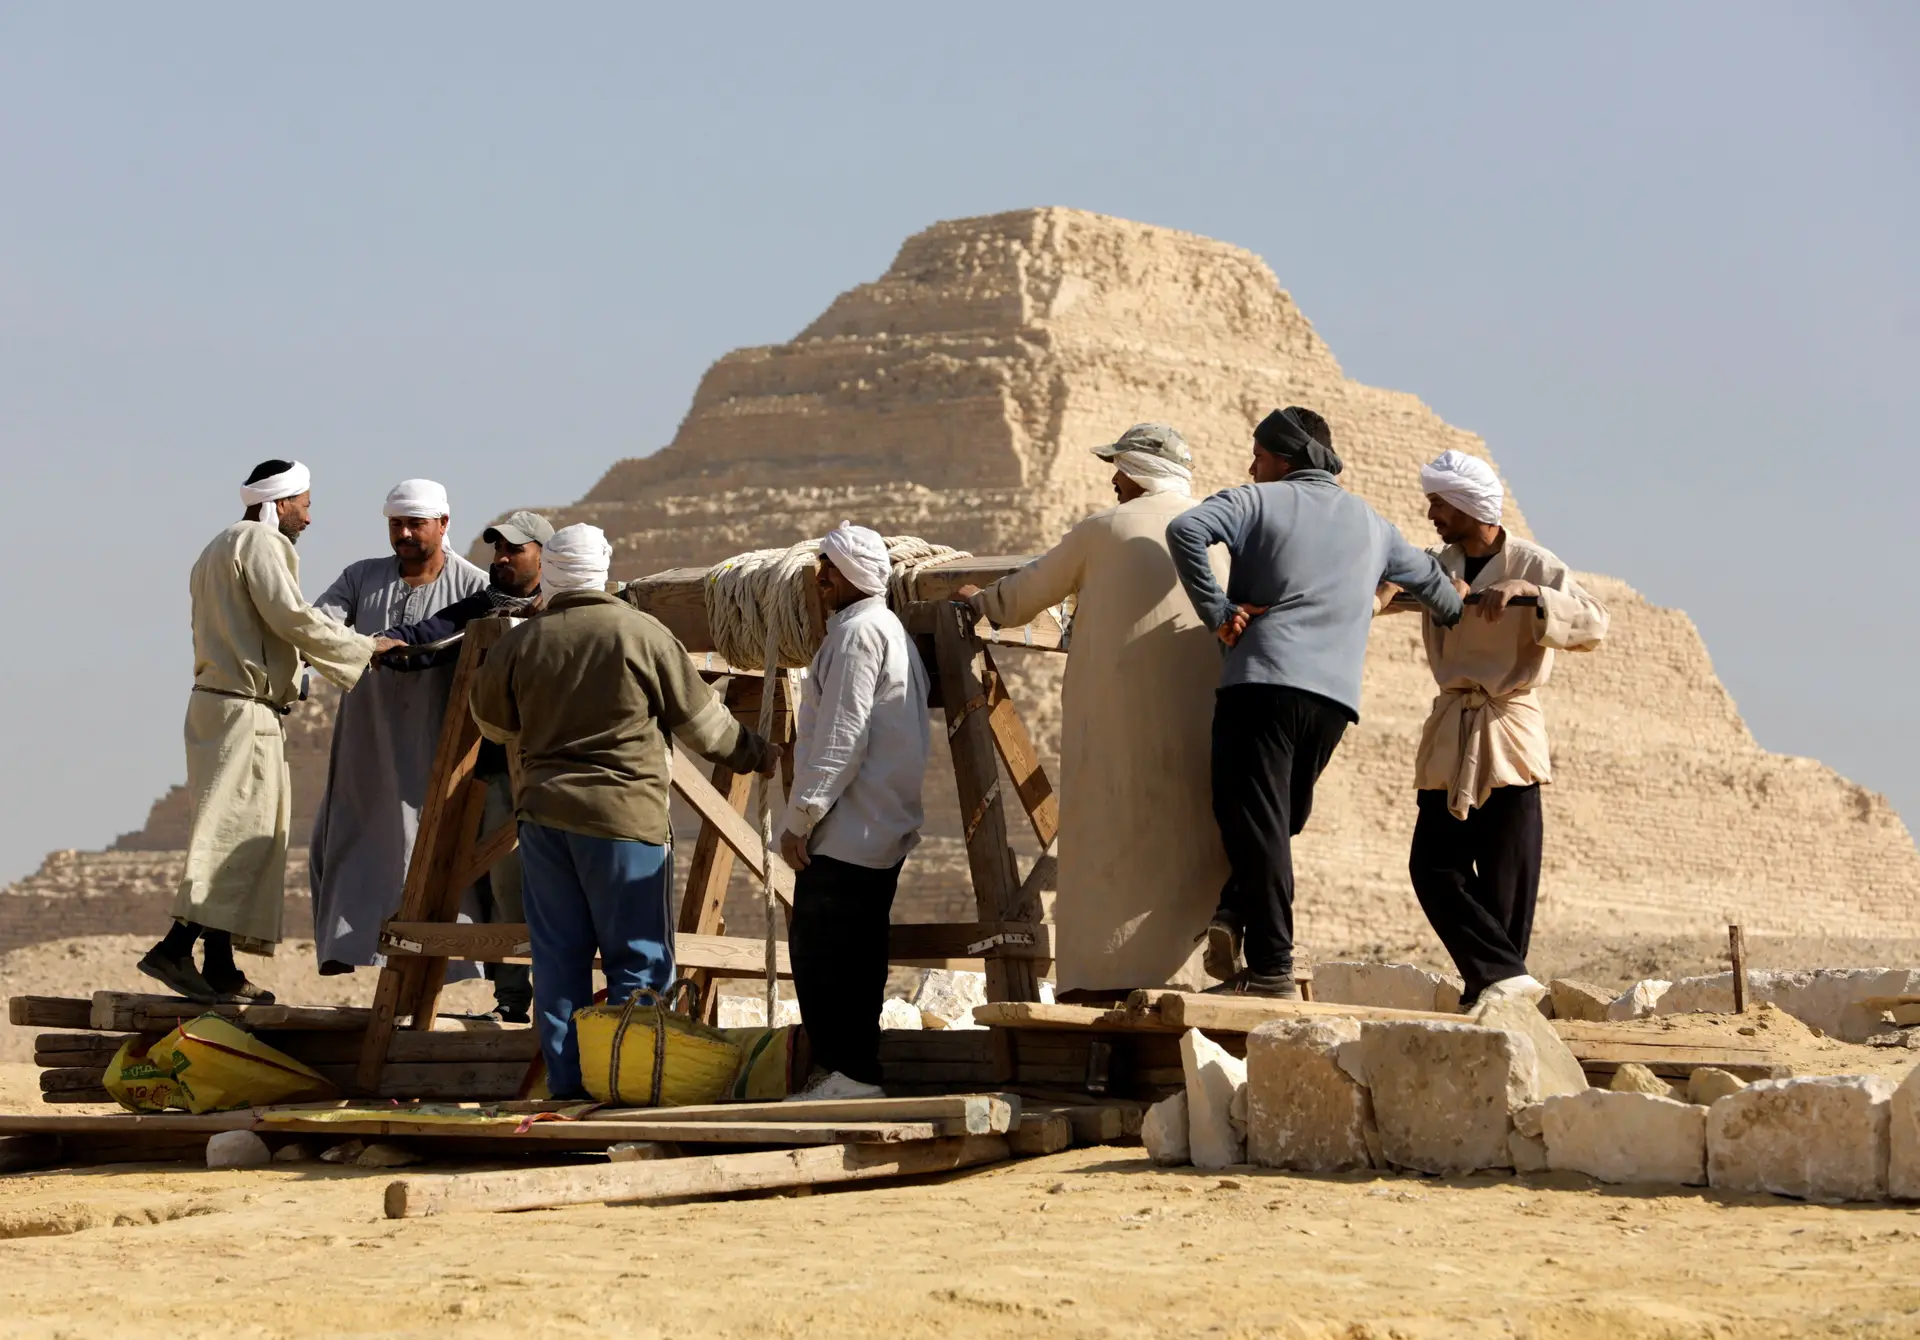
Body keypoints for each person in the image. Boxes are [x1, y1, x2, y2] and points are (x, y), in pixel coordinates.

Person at [470, 524, 775, 1100]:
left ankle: (569, 1089)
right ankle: (632, 1087)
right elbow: (705, 728)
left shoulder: (521, 641)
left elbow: (493, 723)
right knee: (636, 961)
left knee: (558, 963)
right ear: (603, 569)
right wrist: (760, 754)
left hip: (543, 822)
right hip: (624, 824)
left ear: (554, 572)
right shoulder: (642, 634)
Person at [1166, 408, 1463, 998]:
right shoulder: (1372, 524)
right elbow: (1439, 592)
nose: (1251, 466)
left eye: (1258, 455)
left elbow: (1184, 532)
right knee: (1281, 819)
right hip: (1332, 702)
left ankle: (1272, 967)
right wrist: (1444, 601)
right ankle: (1232, 913)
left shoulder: (1258, 501)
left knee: (1254, 820)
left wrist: (1219, 614)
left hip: (1262, 683)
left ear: (1284, 459)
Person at [955, 424, 1228, 997]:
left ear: (1141, 474)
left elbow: (1023, 594)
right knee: (1196, 851)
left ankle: (1102, 985)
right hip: (1211, 728)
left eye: (1121, 471)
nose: (1114, 481)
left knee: (1110, 853)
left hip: (1116, 730)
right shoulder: (1223, 537)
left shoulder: (1105, 530)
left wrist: (979, 603)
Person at [1377, 450, 1608, 1009]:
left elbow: (1594, 623)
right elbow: (1382, 593)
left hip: (1508, 728)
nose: (1430, 511)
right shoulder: (1435, 562)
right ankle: (1508, 980)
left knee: (1508, 881)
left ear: (1466, 504)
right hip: (1453, 727)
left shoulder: (1534, 564)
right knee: (1432, 867)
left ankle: (1492, 993)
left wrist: (1530, 596)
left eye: (1439, 502)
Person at [139, 460, 377, 1003]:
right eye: (306, 504)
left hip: (220, 709)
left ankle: (220, 967)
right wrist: (364, 649)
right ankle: (175, 949)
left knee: (244, 836)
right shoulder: (261, 544)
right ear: (282, 501)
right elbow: (292, 617)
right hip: (244, 712)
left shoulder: (216, 547)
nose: (309, 518)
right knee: (236, 838)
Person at [369, 509, 554, 1022]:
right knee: (503, 885)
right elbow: (431, 635)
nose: (500, 559)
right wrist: (387, 644)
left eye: (513, 550)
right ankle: (513, 1000)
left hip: (562, 771)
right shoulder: (485, 605)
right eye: (496, 549)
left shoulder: (569, 605)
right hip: (499, 771)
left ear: (544, 554)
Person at [308, 479, 487, 975]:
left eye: (415, 524)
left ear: (443, 525)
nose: (404, 533)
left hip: (437, 741)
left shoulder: (473, 586)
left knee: (433, 848)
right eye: (396, 524)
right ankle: (349, 948)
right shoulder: (361, 577)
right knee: (347, 839)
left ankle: (448, 969)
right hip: (367, 738)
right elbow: (319, 627)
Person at [778, 523, 931, 1101]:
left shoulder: (859, 635)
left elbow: (842, 737)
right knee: (855, 953)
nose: (819, 579)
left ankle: (849, 1073)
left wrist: (801, 819)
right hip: (875, 822)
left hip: (848, 826)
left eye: (829, 570)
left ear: (850, 577)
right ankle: (852, 1072)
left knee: (825, 956)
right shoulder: (879, 629)